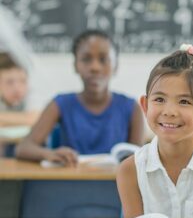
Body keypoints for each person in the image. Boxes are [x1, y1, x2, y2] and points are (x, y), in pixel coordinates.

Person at [117, 44, 193, 218]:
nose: (169, 111)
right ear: (145, 106)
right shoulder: (129, 171)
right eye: (159, 99)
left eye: (184, 102)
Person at [16, 30, 145, 166]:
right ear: (75, 66)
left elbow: (139, 160)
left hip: (114, 185)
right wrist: (49, 154)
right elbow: (23, 148)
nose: (95, 67)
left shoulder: (131, 107)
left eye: (103, 59)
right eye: (86, 59)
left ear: (115, 66)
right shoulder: (61, 103)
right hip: (70, 182)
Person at [0, 52, 39, 126]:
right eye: (9, 82)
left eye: (23, 81)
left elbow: (37, 118)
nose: (17, 89)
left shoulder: (30, 94)